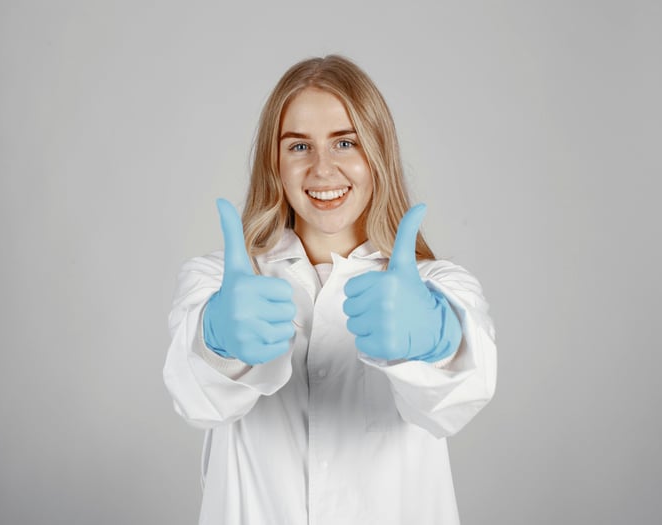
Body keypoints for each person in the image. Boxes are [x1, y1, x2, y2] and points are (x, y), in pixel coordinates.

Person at [163, 55, 497, 525]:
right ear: (274, 163)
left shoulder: (438, 286)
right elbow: (196, 399)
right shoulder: (216, 282)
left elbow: (454, 403)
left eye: (345, 142)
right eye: (299, 147)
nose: (322, 169)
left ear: (377, 153)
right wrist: (216, 337)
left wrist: (434, 339)